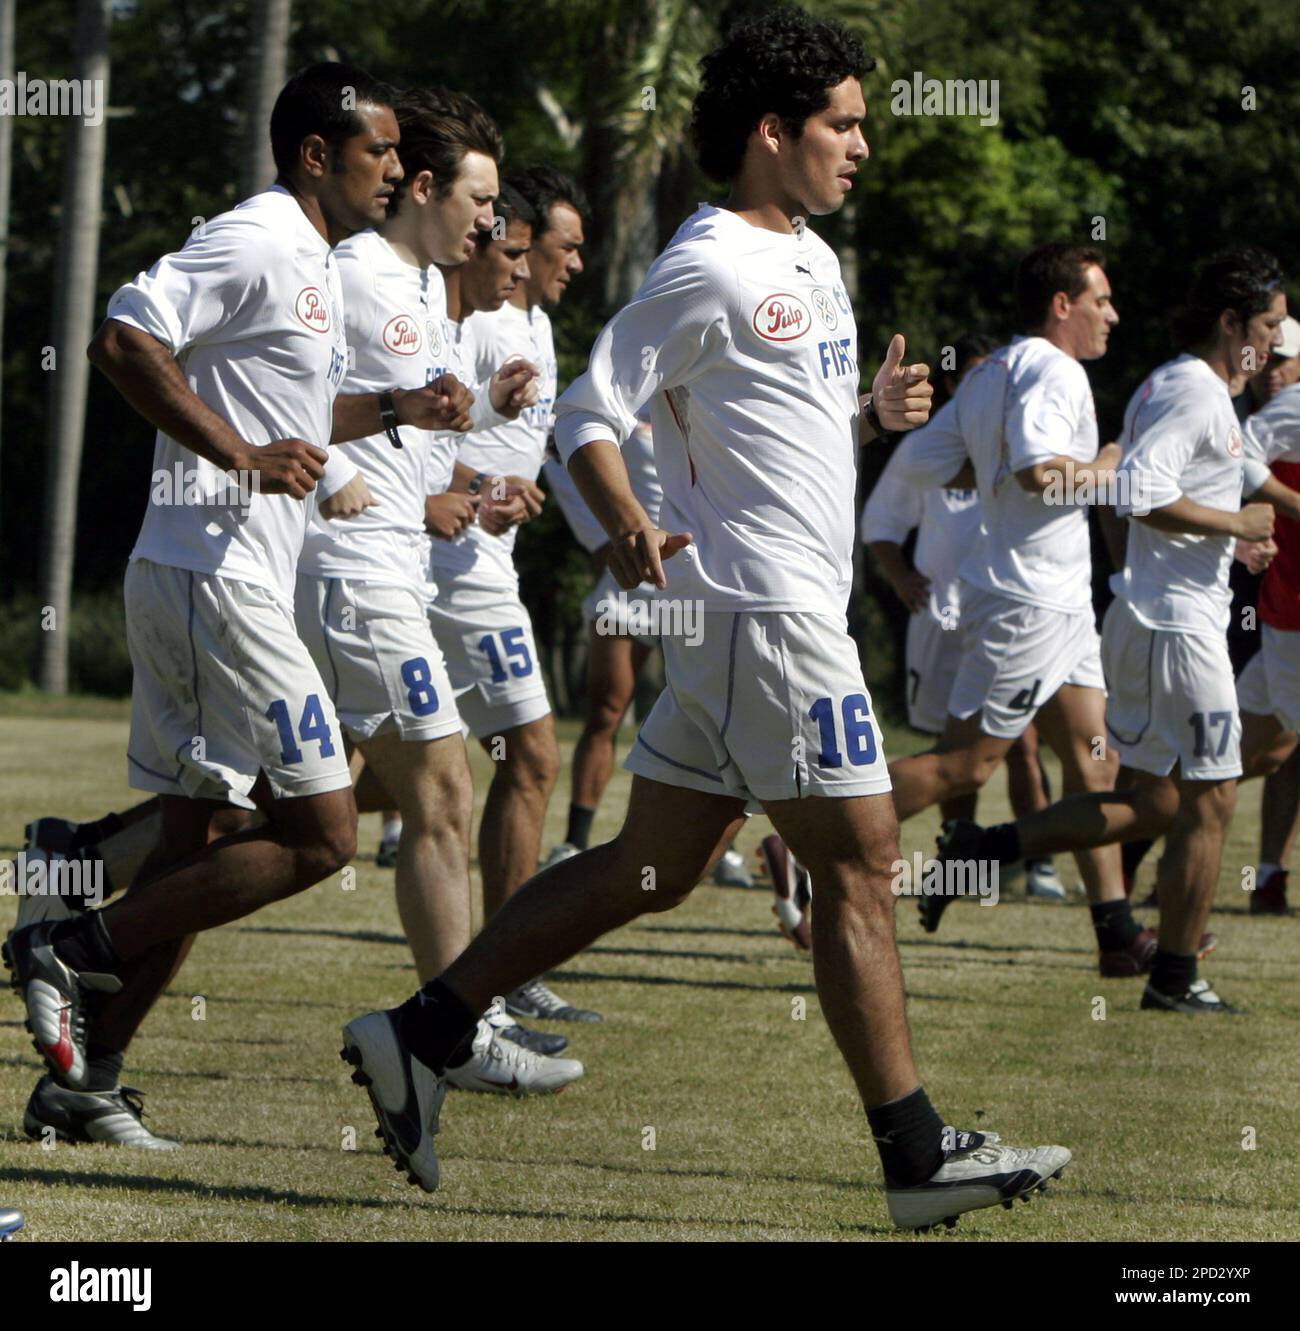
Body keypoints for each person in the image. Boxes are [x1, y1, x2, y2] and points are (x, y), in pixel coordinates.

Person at [339, 7, 1070, 1228]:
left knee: (650, 863)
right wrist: (624, 515)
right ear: (773, 133)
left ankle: (422, 1026)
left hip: (749, 620)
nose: (862, 145)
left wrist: (871, 414)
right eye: (843, 124)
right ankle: (914, 1151)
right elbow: (587, 408)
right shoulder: (709, 260)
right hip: (764, 616)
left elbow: (772, 427)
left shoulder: (811, 258)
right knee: (864, 859)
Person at [3, 63, 468, 1145]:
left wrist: (395, 408)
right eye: (380, 150)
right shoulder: (259, 235)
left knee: (197, 838)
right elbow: (125, 335)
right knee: (321, 834)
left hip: (209, 573)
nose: (397, 168)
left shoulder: (307, 260)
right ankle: (71, 947)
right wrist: (238, 453)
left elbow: (287, 416)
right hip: (221, 579)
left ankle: (86, 1079)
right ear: (316, 155)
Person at [294, 86, 580, 1094]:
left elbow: (403, 425)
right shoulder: (353, 272)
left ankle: (89, 901)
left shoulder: (419, 289)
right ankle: (454, 1029)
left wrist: (460, 439)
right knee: (449, 783)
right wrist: (336, 478)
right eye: (482, 199)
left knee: (324, 808)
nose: (493, 223)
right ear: (424, 187)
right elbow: (274, 394)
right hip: (351, 569)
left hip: (397, 573)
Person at [942, 248, 1298, 1013]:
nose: (1275, 341)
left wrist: (1232, 529)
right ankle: (1174, 975)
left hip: (1154, 617)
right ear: (1232, 322)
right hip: (1176, 626)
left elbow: (1190, 486)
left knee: (1159, 800)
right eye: (1268, 326)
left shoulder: (1197, 390)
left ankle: (991, 845)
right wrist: (1233, 524)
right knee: (1214, 794)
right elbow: (1136, 490)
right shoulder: (1194, 391)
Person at [885, 244, 1153, 975]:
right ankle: (807, 843)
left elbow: (927, 463)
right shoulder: (1054, 369)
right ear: (1062, 305)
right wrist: (1105, 468)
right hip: (1027, 603)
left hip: (1053, 603)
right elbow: (1039, 473)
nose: (1113, 314)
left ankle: (1117, 935)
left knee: (1095, 765)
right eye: (1101, 300)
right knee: (966, 767)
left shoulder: (990, 374)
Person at [425, 164, 604, 1025]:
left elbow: (534, 452)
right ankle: (506, 961)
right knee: (532, 754)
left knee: (382, 776)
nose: (573, 263)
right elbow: (430, 436)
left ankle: (114, 847)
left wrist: (611, 537)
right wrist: (481, 492)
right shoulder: (477, 319)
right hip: (455, 567)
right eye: (564, 246)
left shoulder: (535, 324)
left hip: (490, 564)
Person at [862, 332, 1065, 901]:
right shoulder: (930, 446)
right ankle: (959, 855)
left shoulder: (1022, 441)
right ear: (954, 383)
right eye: (974, 374)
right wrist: (901, 576)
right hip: (943, 618)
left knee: (1019, 742)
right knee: (959, 752)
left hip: (1007, 609)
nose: (988, 386)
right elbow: (879, 523)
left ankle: (1034, 862)